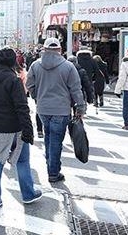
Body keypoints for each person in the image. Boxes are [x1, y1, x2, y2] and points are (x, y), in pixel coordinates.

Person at [0, 48, 41, 216]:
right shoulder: (14, 80)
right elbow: (22, 107)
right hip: (12, 128)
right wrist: (28, 130)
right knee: (22, 161)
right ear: (13, 62)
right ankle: (28, 194)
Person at [26, 37, 86, 182]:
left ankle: (51, 166)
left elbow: (30, 85)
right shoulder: (68, 66)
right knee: (56, 141)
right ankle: (53, 172)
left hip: (43, 109)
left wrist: (37, 97)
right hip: (61, 109)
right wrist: (80, 107)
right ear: (59, 49)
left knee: (48, 138)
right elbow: (76, 89)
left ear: (44, 49)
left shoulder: (35, 65)